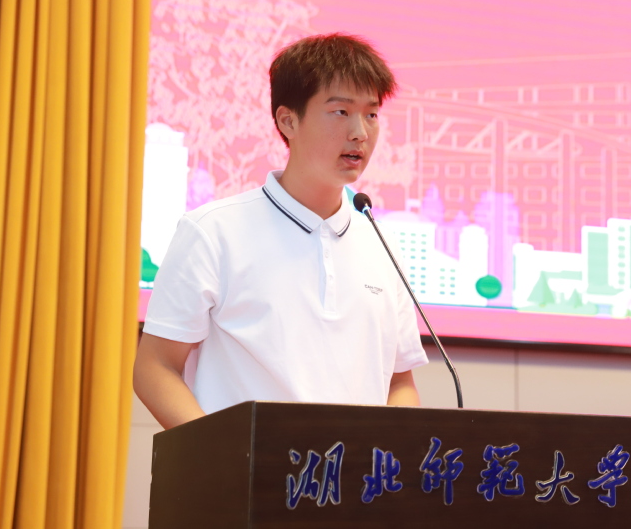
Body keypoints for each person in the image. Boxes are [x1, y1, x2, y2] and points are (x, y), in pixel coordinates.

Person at [134, 34, 429, 430]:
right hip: (245, 468)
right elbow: (155, 368)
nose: (360, 132)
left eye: (372, 114)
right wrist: (222, 455)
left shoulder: (382, 245)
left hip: (357, 472)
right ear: (288, 120)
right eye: (341, 111)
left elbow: (399, 384)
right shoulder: (213, 231)